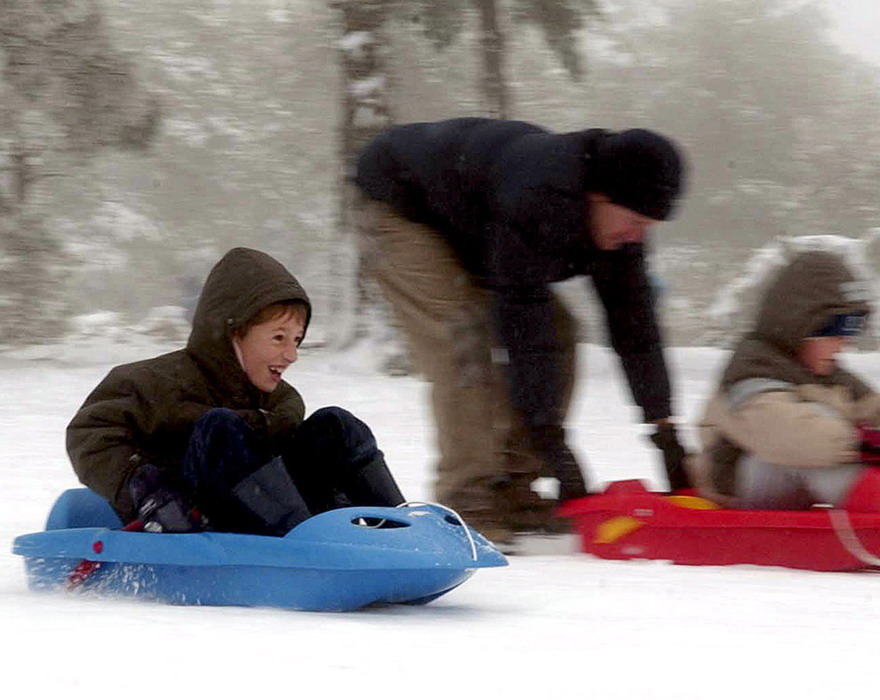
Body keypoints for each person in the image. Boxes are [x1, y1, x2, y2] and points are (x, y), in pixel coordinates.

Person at [354, 117, 690, 543]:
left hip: (473, 226)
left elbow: (635, 328)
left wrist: (664, 429)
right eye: (635, 221)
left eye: (648, 227)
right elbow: (525, 331)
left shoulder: (619, 230)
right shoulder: (541, 196)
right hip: (401, 207)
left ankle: (513, 485)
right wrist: (550, 437)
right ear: (599, 195)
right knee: (463, 339)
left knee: (561, 331)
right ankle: (469, 497)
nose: (636, 237)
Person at [66, 247, 405, 535]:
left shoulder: (282, 401)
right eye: (279, 337)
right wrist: (143, 485)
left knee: (336, 424)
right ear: (233, 332)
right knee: (220, 428)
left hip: (280, 518)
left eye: (297, 340)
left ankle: (401, 530)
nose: (291, 354)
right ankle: (301, 543)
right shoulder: (155, 382)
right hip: (195, 520)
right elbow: (90, 433)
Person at [691, 250, 880, 511]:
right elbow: (791, 434)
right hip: (733, 481)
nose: (843, 343)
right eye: (837, 328)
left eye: (852, 329)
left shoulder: (825, 370)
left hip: (791, 468)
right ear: (801, 323)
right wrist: (863, 441)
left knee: (831, 443)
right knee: (817, 444)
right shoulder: (751, 369)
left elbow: (871, 408)